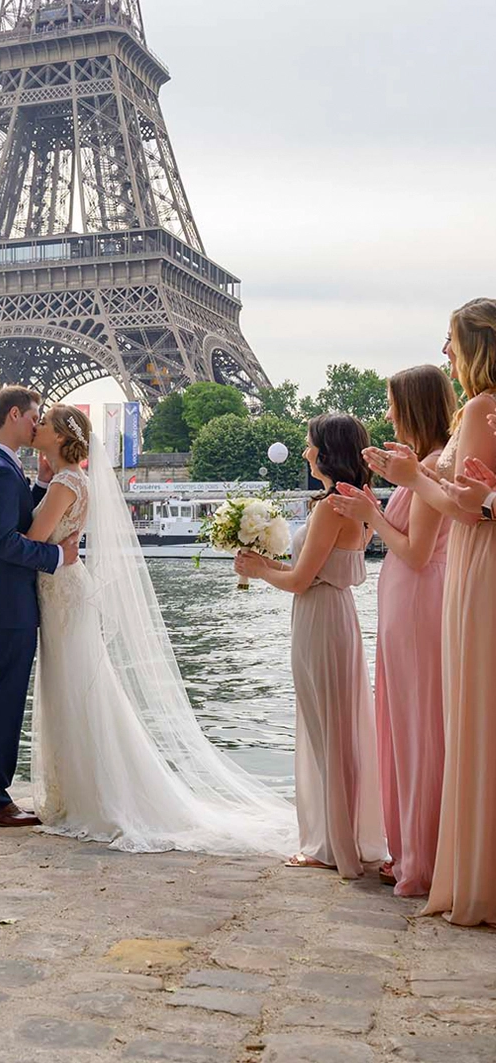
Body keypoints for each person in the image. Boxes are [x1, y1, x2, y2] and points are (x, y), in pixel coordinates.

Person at [0, 404, 296, 855]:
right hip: (54, 595)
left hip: (59, 594)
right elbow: (24, 535)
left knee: (67, 692)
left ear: (62, 436)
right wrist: (0, 517)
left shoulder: (65, 482)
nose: (36, 425)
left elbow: (30, 539)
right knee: (68, 693)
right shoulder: (61, 479)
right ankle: (42, 793)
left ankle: (61, 794)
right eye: (34, 417)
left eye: (44, 422)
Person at [364, 298, 496, 927]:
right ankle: (436, 851)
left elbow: (443, 527)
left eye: (451, 341)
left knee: (442, 723)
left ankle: (436, 857)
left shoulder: (478, 411)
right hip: (450, 578)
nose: (447, 354)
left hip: (454, 582)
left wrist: (404, 486)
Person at [236, 415, 386, 877]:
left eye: (309, 444)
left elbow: (302, 580)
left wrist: (260, 571)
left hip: (319, 617)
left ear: (326, 451)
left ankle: (329, 845)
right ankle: (345, 837)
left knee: (324, 729)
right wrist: (265, 561)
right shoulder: (356, 503)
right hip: (337, 615)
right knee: (339, 727)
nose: (304, 452)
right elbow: (315, 568)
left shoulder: (329, 508)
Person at [328, 366, 455, 895]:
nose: (387, 414)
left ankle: (419, 855)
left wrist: (369, 512)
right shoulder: (422, 467)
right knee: (406, 719)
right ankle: (411, 844)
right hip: (407, 602)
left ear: (414, 408)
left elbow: (416, 552)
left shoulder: (429, 467)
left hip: (419, 600)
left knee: (418, 722)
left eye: (392, 404)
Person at [0, 387, 79, 828]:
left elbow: (4, 528)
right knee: (2, 701)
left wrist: (43, 484)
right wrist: (57, 558)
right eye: (34, 417)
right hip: (6, 602)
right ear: (15, 415)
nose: (38, 425)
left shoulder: (0, 467)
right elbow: (6, 543)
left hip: (1, 599)